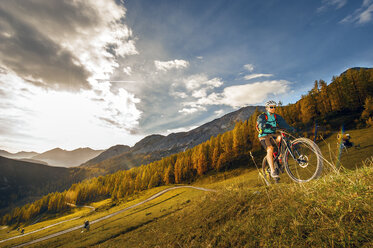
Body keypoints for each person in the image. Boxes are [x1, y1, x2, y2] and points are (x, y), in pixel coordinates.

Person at [257, 100, 295, 178]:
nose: (273, 108)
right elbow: (260, 123)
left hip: (272, 134)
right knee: (270, 148)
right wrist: (264, 126)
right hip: (264, 135)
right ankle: (272, 171)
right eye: (271, 107)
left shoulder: (276, 116)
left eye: (274, 107)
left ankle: (280, 156)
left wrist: (291, 129)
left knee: (281, 137)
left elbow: (284, 124)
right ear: (267, 108)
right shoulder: (262, 116)